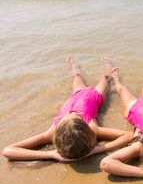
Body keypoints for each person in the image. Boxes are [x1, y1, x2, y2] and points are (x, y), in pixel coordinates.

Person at [2, 57, 133, 162]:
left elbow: (8, 150)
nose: (71, 113)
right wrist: (50, 154)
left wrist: (50, 154)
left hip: (84, 94)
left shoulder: (53, 132)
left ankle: (100, 64)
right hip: (86, 95)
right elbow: (128, 135)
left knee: (90, 76)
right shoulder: (88, 129)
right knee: (91, 77)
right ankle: (81, 64)